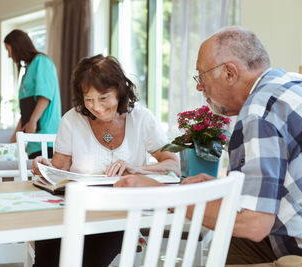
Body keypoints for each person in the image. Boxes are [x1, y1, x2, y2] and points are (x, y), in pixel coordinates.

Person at [115, 26, 302, 264]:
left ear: (230, 73)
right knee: (230, 243)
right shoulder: (291, 84)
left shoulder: (258, 112)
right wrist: (224, 186)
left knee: (234, 237)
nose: (199, 87)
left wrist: (162, 194)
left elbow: (255, 223)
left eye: (201, 76)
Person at [32, 54, 180, 267]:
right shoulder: (72, 120)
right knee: (49, 248)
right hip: (75, 211)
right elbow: (59, 169)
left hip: (120, 213)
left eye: (103, 98)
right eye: (89, 99)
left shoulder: (141, 118)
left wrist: (136, 169)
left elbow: (173, 165)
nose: (96, 107)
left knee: (80, 258)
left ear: (119, 91)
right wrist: (43, 167)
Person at [4, 29, 61, 159]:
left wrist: (33, 121)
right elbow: (26, 114)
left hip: (46, 140)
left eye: (8, 50)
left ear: (17, 46)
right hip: (33, 143)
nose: (8, 55)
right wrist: (10, 145)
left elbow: (45, 97)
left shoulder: (42, 62)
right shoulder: (28, 69)